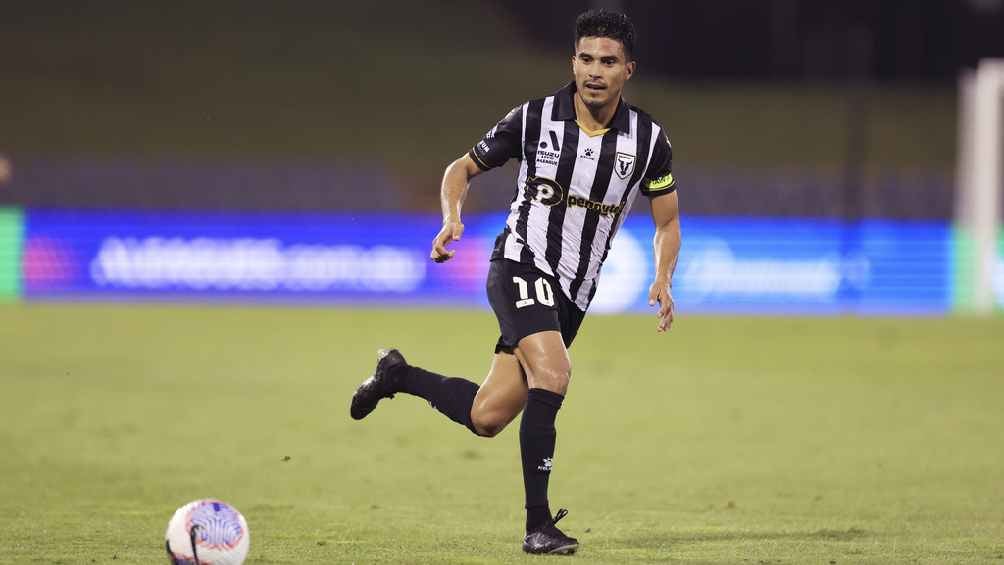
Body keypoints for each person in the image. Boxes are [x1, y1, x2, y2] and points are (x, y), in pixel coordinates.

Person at [350, 8, 681, 556]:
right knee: (554, 372)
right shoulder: (533, 119)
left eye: (608, 61)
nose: (594, 71)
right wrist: (452, 217)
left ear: (628, 70)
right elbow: (461, 168)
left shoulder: (648, 141)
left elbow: (667, 222)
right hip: (520, 262)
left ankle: (397, 375)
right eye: (586, 59)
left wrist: (664, 276)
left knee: (487, 416)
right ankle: (538, 525)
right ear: (572, 62)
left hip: (573, 292)